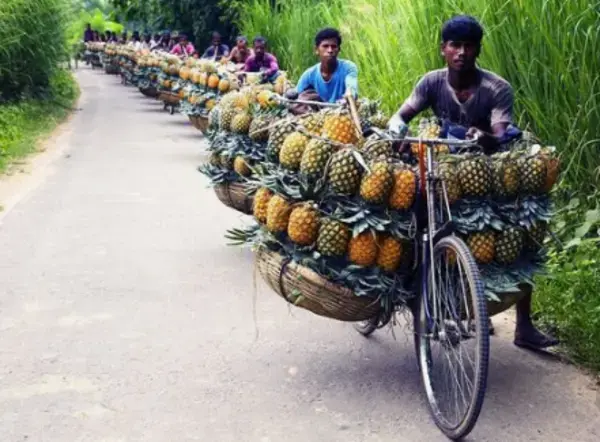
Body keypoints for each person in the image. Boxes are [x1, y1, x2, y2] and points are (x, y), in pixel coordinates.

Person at [387, 15, 558, 350]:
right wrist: (397, 134)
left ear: (478, 49)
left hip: (487, 169)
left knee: (520, 230)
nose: (461, 52)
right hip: (445, 169)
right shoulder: (431, 83)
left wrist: (487, 138)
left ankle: (524, 325)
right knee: (414, 221)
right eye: (455, 45)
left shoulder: (496, 88)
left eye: (468, 45)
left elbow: (499, 133)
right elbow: (401, 115)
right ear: (443, 49)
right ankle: (418, 292)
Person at [294, 27, 358, 103]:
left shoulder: (348, 68)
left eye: (333, 46)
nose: (330, 50)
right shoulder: (309, 75)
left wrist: (348, 97)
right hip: (317, 112)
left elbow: (352, 88)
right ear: (316, 50)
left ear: (339, 50)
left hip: (342, 109)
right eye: (325, 46)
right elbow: (295, 96)